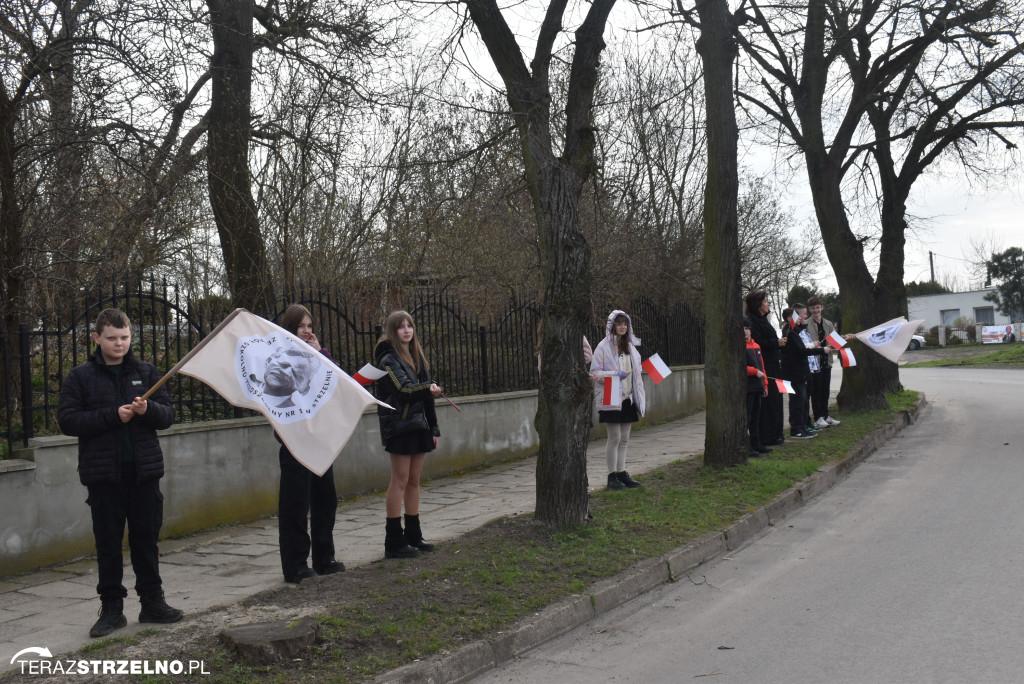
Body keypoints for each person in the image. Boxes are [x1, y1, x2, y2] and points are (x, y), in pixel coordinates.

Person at [57, 308, 183, 638]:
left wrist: (147, 409)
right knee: (109, 545)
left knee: (146, 541)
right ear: (96, 338)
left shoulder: (145, 371)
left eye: (125, 337)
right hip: (104, 478)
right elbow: (68, 421)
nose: (119, 344)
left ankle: (153, 603)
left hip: (144, 474)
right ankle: (112, 610)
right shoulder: (80, 377)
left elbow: (168, 415)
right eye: (111, 338)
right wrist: (114, 416)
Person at [275, 304, 345, 584]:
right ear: (291, 328)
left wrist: (321, 353)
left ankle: (324, 557)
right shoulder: (278, 357)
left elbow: (334, 382)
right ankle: (295, 565)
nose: (307, 331)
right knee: (295, 505)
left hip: (319, 439)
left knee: (325, 500)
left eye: (310, 326)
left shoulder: (316, 354)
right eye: (302, 326)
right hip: (294, 441)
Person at [373, 310, 442, 559]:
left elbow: (426, 401)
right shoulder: (388, 360)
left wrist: (433, 428)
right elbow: (404, 390)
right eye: (401, 327)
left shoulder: (417, 358)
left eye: (409, 325)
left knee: (414, 481)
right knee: (399, 481)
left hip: (419, 426)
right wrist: (428, 389)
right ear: (393, 331)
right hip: (399, 428)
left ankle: (414, 535)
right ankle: (394, 540)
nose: (406, 330)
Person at [590, 310, 646, 490]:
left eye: (625, 324)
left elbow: (636, 370)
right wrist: (615, 374)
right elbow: (594, 373)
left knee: (625, 438)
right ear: (612, 326)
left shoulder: (631, 346)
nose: (622, 327)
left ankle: (622, 472)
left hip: (628, 398)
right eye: (619, 323)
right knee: (614, 438)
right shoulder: (603, 347)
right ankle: (611, 475)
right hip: (612, 397)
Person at [745, 291, 787, 446]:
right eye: (765, 301)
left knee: (776, 401)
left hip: (774, 364)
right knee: (768, 403)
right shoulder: (753, 322)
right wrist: (776, 343)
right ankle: (767, 435)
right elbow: (758, 343)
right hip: (765, 365)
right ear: (758, 305)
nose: (768, 303)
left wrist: (778, 343)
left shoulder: (763, 320)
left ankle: (776, 433)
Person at [780, 304, 826, 440]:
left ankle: (802, 427)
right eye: (798, 316)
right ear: (790, 319)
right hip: (794, 374)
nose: (801, 319)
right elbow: (801, 351)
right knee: (797, 402)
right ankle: (796, 430)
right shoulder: (790, 333)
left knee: (803, 401)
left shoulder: (795, 332)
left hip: (800, 373)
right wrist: (822, 350)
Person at [805, 297, 841, 428]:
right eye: (813, 308)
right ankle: (818, 417)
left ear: (822, 308)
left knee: (825, 391)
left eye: (818, 307)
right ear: (809, 309)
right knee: (816, 392)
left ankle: (826, 415)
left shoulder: (828, 323)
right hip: (814, 362)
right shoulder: (806, 324)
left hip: (827, 362)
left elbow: (835, 340)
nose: (816, 310)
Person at [744, 317, 771, 456]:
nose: (745, 331)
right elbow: (741, 367)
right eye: (743, 329)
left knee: (756, 417)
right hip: (747, 387)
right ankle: (747, 446)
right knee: (747, 417)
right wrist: (754, 372)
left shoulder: (756, 345)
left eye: (747, 328)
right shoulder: (740, 346)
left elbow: (762, 366)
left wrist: (765, 384)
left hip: (758, 386)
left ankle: (756, 443)